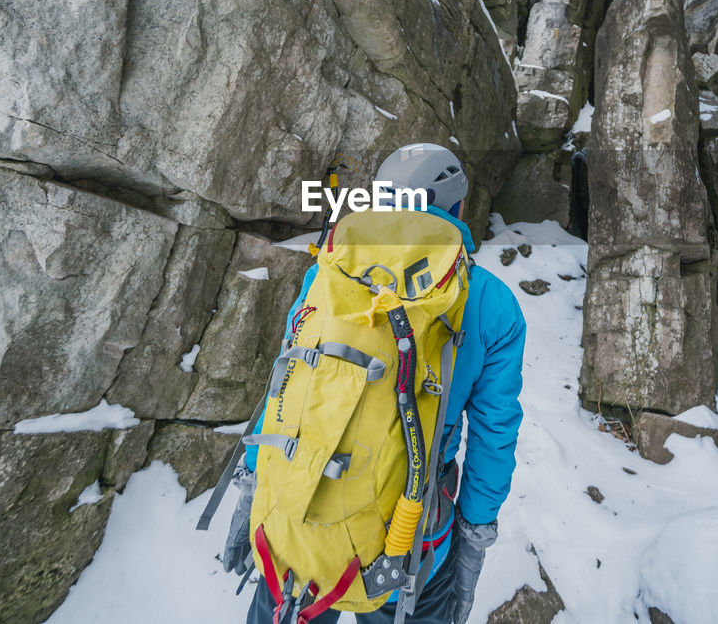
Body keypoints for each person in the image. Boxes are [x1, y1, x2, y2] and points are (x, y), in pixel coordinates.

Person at [223, 142, 526, 624]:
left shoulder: (328, 272)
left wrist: (253, 483)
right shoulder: (491, 302)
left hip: (296, 515)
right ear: (459, 207)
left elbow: (286, 381)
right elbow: (494, 435)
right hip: (407, 541)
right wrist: (473, 539)